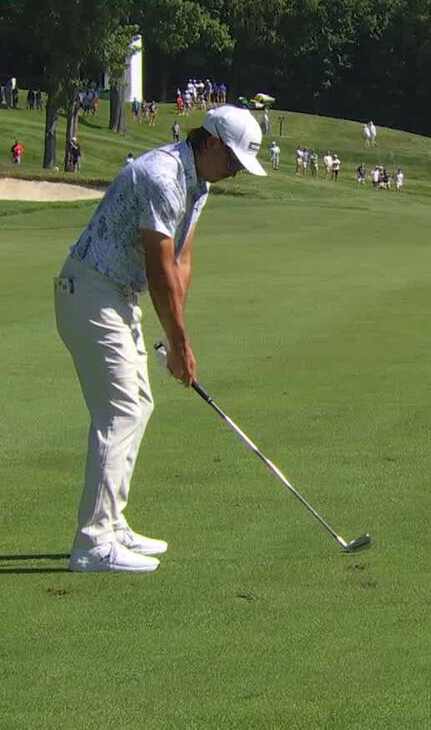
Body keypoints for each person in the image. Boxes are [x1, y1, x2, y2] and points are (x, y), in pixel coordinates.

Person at [56, 105, 264, 574]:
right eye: (231, 160)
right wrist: (180, 344)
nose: (232, 173)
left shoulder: (199, 184)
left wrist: (177, 340)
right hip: (90, 289)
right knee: (122, 409)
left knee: (139, 404)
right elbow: (158, 265)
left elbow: (181, 262)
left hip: (116, 295)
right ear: (208, 142)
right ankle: (92, 543)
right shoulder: (162, 175)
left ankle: (111, 523)